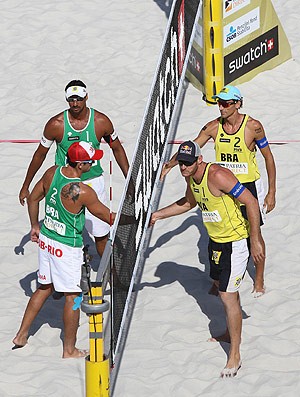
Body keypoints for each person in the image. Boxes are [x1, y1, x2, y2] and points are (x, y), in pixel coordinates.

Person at [151, 140, 265, 377]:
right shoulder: (189, 176)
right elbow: (189, 203)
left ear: (199, 160)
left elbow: (251, 202)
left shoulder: (218, 175)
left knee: (227, 295)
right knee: (222, 288)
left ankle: (235, 354)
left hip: (235, 242)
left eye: (188, 163)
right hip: (215, 241)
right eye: (181, 163)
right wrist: (158, 215)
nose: (183, 167)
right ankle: (228, 331)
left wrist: (254, 240)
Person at [160, 85, 276, 297]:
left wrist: (271, 192)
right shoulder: (213, 127)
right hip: (223, 187)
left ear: (238, 104)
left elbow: (268, 157)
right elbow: (191, 147)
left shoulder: (253, 126)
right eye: (218, 103)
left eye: (225, 103)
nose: (220, 107)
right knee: (219, 235)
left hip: (248, 186)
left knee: (254, 233)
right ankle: (220, 280)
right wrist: (169, 164)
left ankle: (259, 279)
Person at [13, 142, 115, 358]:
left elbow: (33, 198)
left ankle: (21, 335)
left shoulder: (52, 172)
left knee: (44, 288)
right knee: (73, 297)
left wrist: (34, 226)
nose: (93, 162)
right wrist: (135, 218)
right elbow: (107, 217)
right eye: (90, 160)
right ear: (80, 164)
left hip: (46, 240)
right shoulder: (82, 191)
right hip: (67, 247)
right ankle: (69, 349)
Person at [19, 79, 129, 257]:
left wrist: (129, 178)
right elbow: (39, 155)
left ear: (86, 97)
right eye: (71, 99)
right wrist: (26, 185)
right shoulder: (56, 124)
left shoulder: (101, 121)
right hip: (65, 181)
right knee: (65, 234)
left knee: (101, 233)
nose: (75, 103)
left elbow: (117, 148)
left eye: (78, 98)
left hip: (92, 181)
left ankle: (111, 273)